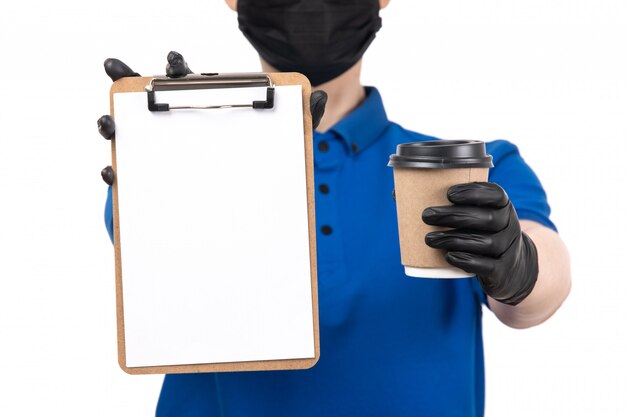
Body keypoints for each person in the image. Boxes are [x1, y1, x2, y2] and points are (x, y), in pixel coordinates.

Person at [97, 1, 571, 415]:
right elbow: (157, 292)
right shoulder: (186, 167)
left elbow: (541, 291)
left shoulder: (464, 168)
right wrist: (167, 155)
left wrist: (518, 265)